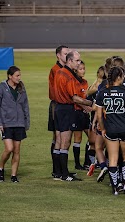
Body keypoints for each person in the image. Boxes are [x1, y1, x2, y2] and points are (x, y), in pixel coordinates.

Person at [96, 66, 125, 195]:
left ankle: (115, 187)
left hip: (110, 129)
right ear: (119, 77)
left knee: (112, 158)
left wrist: (103, 128)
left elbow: (99, 115)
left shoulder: (103, 92)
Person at [53, 50, 92, 181]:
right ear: (70, 61)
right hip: (66, 110)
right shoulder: (69, 76)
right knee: (65, 142)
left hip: (57, 108)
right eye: (77, 60)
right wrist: (91, 102)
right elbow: (75, 98)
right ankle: (64, 174)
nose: (79, 63)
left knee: (58, 141)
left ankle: (58, 172)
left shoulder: (59, 72)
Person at [0, 66, 30, 183]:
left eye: (20, 75)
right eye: (17, 75)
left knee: (17, 150)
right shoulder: (1, 88)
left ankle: (14, 176)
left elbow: (25, 106)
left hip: (19, 123)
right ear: (10, 76)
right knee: (9, 149)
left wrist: (26, 123)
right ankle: (1, 168)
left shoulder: (21, 89)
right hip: (6, 123)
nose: (19, 78)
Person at [48, 45, 68, 178]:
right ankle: (57, 170)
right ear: (58, 55)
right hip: (57, 105)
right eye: (65, 53)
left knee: (61, 138)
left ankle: (60, 170)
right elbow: (54, 91)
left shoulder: (65, 69)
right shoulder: (56, 70)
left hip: (62, 105)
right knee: (57, 137)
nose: (67, 55)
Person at [72, 61, 90, 170]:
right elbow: (74, 99)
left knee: (92, 137)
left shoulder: (85, 82)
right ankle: (77, 164)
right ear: (75, 70)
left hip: (84, 114)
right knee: (77, 138)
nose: (83, 71)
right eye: (81, 69)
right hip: (77, 113)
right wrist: (86, 107)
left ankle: (88, 162)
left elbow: (86, 97)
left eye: (84, 68)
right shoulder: (73, 82)